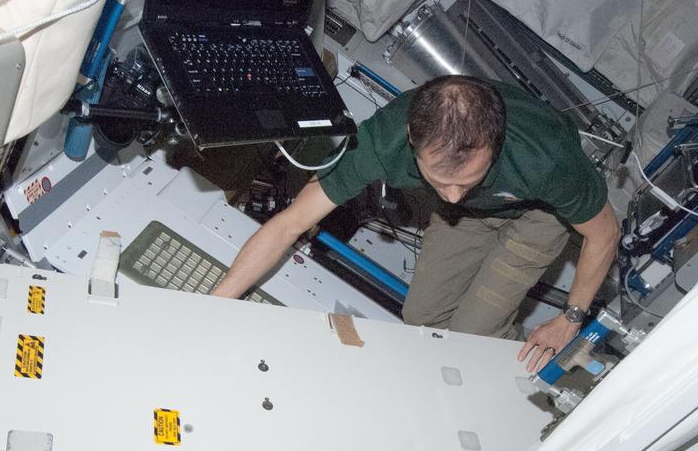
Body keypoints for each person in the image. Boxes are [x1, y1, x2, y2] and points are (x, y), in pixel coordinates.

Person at [211, 75, 619, 373]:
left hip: (537, 215)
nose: (453, 194)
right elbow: (288, 224)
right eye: (441, 181)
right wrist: (214, 305)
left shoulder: (546, 158)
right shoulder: (378, 143)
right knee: (420, 317)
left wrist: (571, 319)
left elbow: (603, 234)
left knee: (472, 334)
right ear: (411, 138)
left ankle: (534, 389)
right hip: (470, 220)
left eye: (466, 180)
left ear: (497, 142)